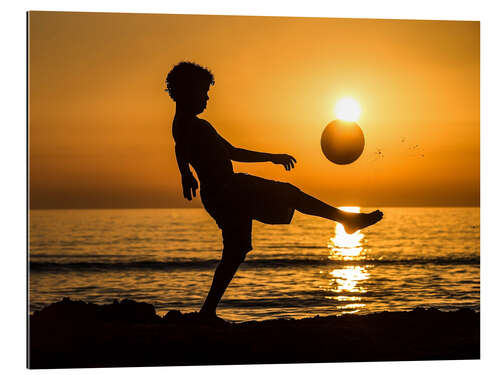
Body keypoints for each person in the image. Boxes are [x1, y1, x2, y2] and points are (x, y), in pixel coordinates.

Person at [165, 61, 383, 320]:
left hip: (225, 192)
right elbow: (181, 147)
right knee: (289, 194)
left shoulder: (193, 124)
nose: (207, 97)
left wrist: (270, 157)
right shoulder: (189, 125)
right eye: (203, 91)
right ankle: (348, 220)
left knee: (237, 250)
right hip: (229, 191)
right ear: (185, 91)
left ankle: (208, 311)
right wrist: (185, 173)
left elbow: (230, 152)